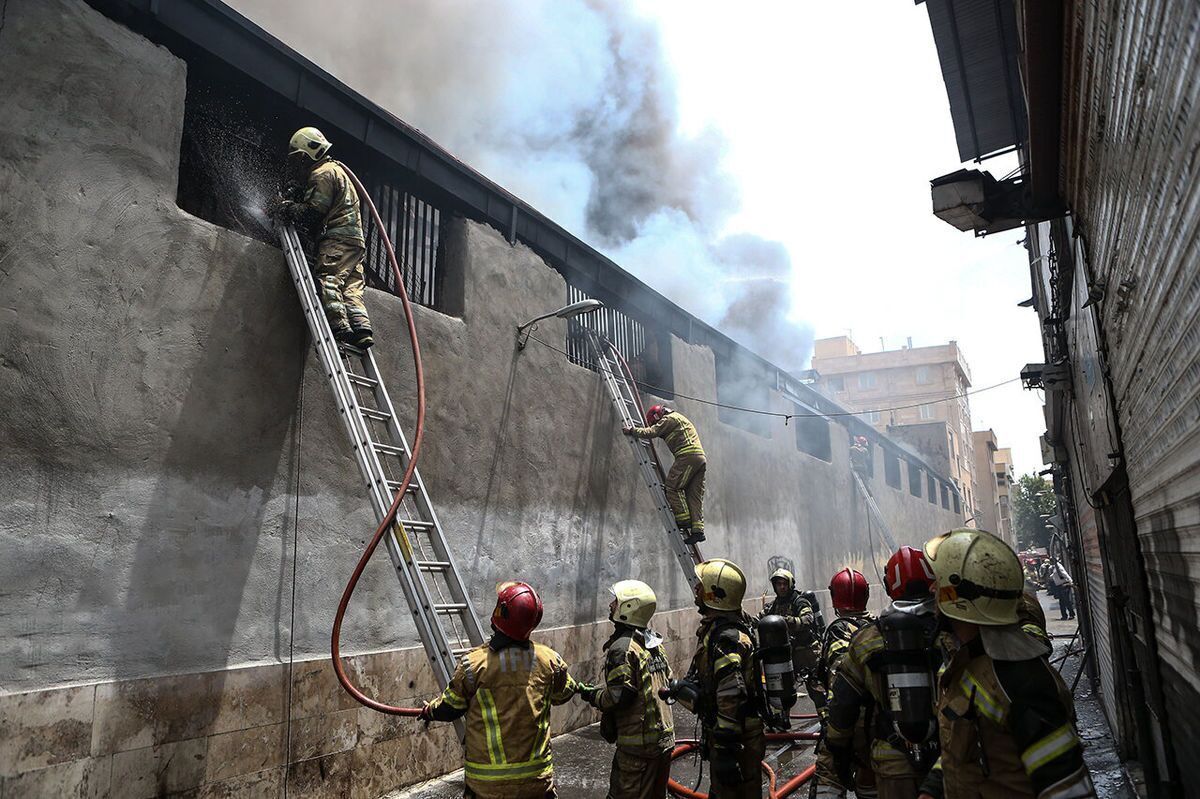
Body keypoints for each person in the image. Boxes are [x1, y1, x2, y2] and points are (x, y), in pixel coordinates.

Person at [917, 529, 1095, 799]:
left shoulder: (1020, 680)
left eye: (940, 581)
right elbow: (967, 746)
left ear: (963, 599)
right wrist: (932, 788)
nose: (932, 589)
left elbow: (1068, 789)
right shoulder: (967, 663)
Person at [420, 581, 584, 798]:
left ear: (500, 613)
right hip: (536, 784)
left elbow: (450, 707)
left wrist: (430, 710)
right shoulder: (549, 661)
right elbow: (564, 693)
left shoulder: (473, 665)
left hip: (487, 787)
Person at [823, 547, 940, 799]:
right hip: (950, 758)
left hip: (893, 765)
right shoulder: (952, 630)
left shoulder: (868, 640)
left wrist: (838, 751)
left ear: (890, 587)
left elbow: (843, 706)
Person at [667, 558, 765, 798]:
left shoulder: (725, 638)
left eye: (701, 586)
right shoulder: (723, 628)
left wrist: (725, 750)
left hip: (736, 742)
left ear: (714, 594)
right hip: (737, 738)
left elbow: (732, 694)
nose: (697, 590)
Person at [274, 126, 374, 349]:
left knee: (329, 278)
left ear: (308, 153)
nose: (298, 165)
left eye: (299, 158)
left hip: (336, 239)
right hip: (354, 242)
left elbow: (313, 213)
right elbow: (325, 201)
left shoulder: (322, 174)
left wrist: (287, 208)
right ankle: (361, 329)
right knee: (350, 288)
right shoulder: (337, 171)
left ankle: (339, 328)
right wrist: (300, 194)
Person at [579, 580, 675, 799]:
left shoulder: (621, 648)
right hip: (663, 740)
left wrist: (592, 695)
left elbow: (619, 696)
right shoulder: (653, 643)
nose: (611, 606)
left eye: (616, 602)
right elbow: (666, 679)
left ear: (628, 608)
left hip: (638, 748)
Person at [811, 568, 877, 798]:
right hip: (876, 727)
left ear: (834, 597)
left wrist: (833, 730)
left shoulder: (839, 631)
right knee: (871, 784)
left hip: (844, 723)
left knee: (827, 782)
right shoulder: (876, 629)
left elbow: (839, 682)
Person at [624, 405, 707, 544]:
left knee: (672, 487)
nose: (657, 424)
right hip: (699, 458)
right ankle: (698, 531)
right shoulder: (679, 419)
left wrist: (632, 430)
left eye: (656, 421)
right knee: (694, 496)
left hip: (687, 456)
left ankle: (684, 520)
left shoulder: (669, 419)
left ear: (658, 416)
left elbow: (652, 432)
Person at [759, 568, 821, 692]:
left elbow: (808, 620)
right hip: (788, 654)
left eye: (784, 584)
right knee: (783, 691)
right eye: (778, 584)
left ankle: (823, 711)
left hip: (807, 652)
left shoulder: (799, 601)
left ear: (790, 584)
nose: (781, 587)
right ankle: (783, 711)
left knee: (817, 691)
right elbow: (758, 619)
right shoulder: (773, 606)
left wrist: (785, 621)